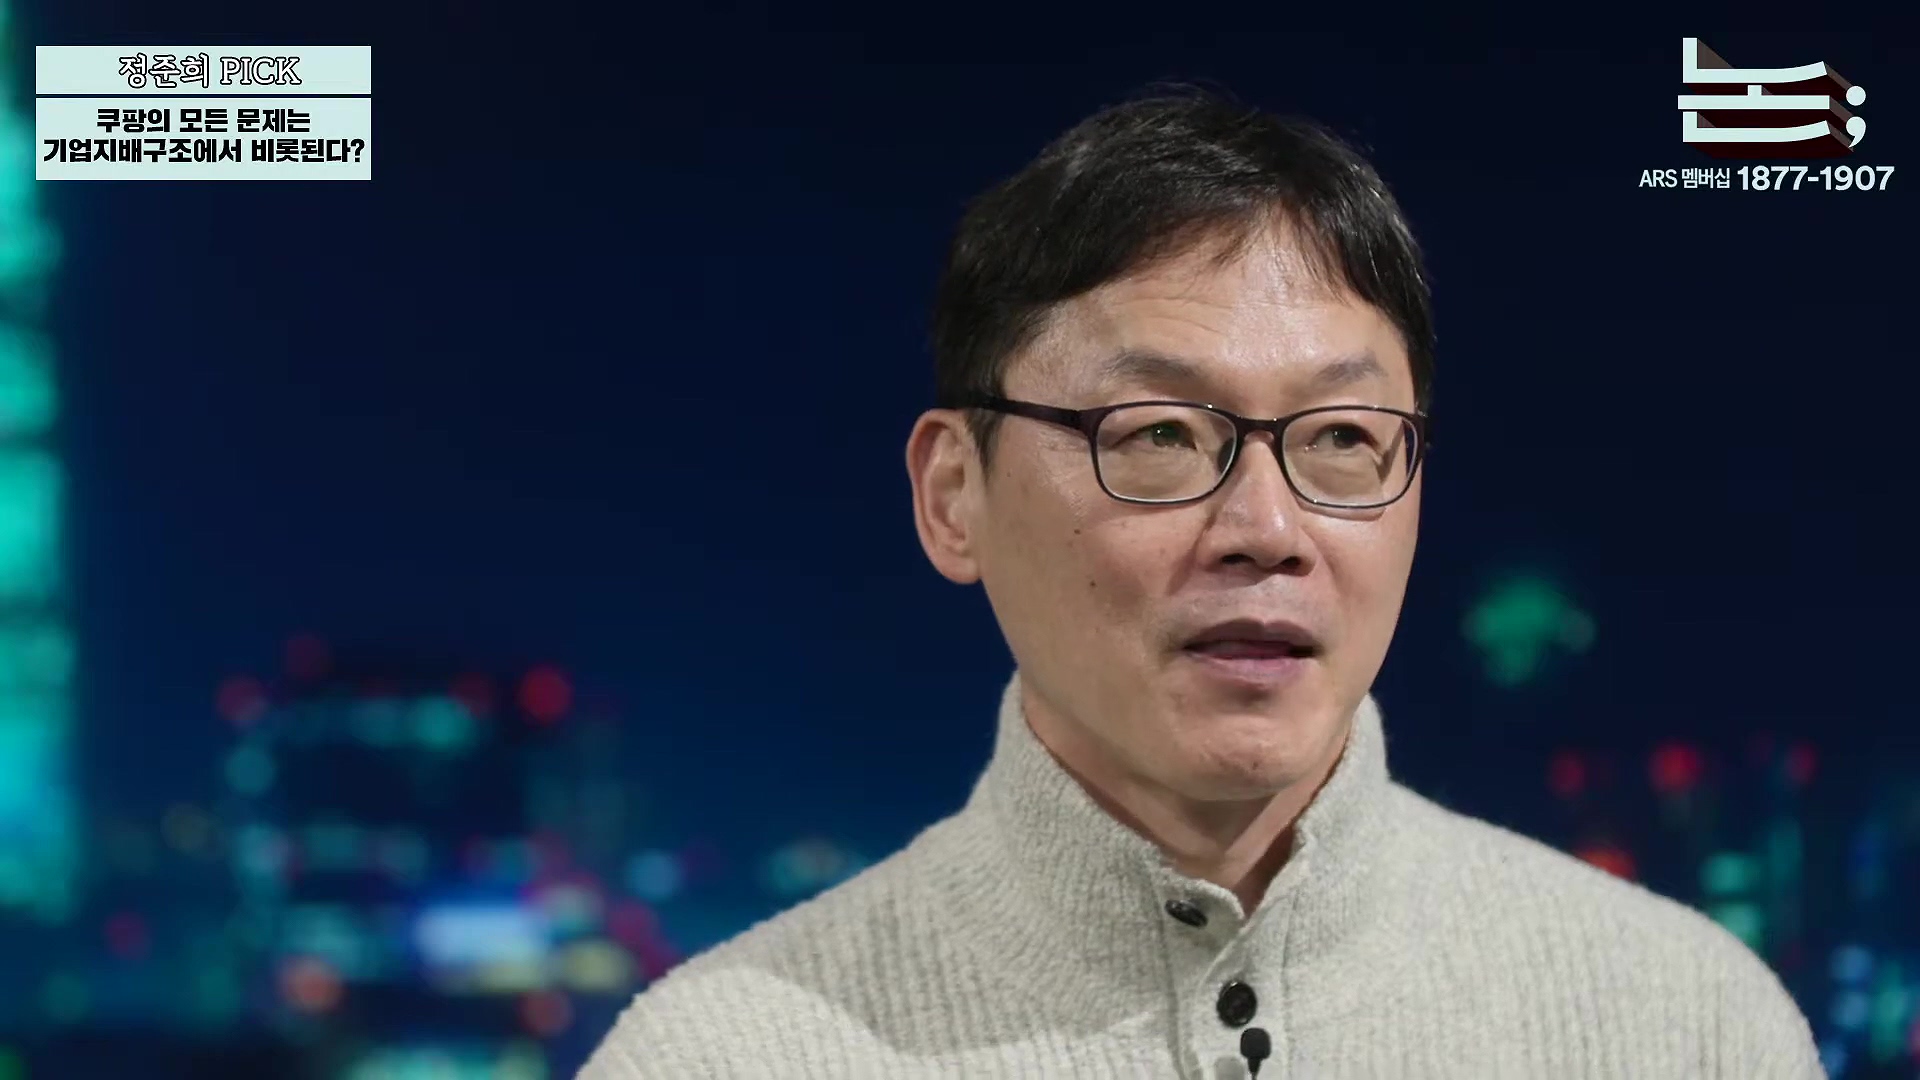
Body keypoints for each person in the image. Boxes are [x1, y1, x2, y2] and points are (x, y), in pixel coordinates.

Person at [578, 85, 1823, 1079]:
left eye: (1343, 439)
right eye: (1161, 434)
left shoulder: (1684, 1025)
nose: (1267, 529)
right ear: (954, 494)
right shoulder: (729, 1054)